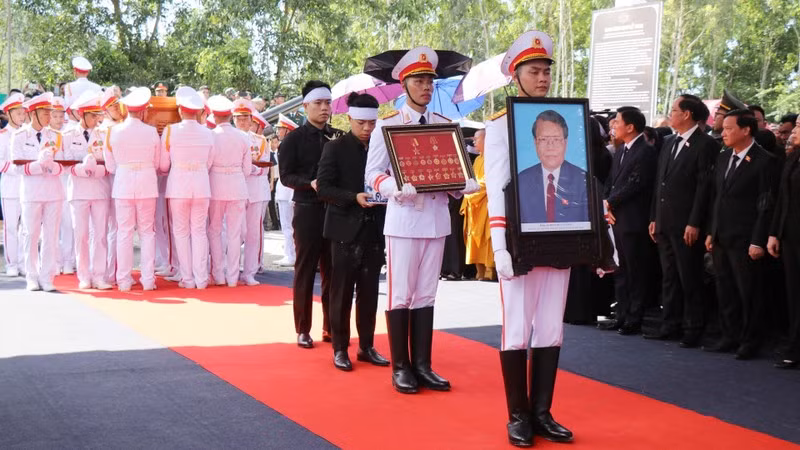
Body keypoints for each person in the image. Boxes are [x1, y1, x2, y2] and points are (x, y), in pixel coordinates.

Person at [365, 46, 479, 394]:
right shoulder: (388, 126)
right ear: (404, 85)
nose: (426, 86)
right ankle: (401, 366)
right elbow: (372, 173)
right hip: (404, 220)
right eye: (419, 81)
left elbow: (455, 172)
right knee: (401, 294)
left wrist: (462, 183)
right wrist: (394, 187)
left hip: (436, 219)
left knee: (427, 294)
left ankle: (423, 364)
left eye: (430, 80)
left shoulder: (445, 125)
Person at [485, 31, 573, 446]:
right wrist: (499, 244)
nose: (542, 78)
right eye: (534, 71)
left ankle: (542, 411)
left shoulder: (566, 119)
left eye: (545, 72)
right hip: (520, 239)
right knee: (517, 327)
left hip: (560, 235)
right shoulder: (501, 126)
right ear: (515, 76)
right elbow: (496, 185)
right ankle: (518, 414)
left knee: (551, 328)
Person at [316, 92, 390, 371]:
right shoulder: (334, 148)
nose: (367, 129)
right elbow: (324, 188)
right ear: (349, 119)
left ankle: (367, 346)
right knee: (342, 292)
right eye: (361, 123)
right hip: (344, 229)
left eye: (372, 124)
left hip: (375, 228)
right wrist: (353, 197)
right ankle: (340, 348)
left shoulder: (383, 146)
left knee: (370, 291)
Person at [704, 109, 779, 359]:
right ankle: (730, 335)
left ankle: (751, 340)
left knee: (749, 292)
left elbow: (766, 205)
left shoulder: (765, 161)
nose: (723, 133)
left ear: (746, 130)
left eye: (729, 128)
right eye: (723, 128)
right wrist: (711, 231)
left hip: (746, 239)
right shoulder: (724, 157)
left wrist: (758, 240)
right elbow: (717, 198)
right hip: (721, 236)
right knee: (725, 290)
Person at [646, 94, 720, 347]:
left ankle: (693, 326)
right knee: (669, 276)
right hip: (665, 221)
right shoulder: (668, 142)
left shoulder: (705, 144)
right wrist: (654, 216)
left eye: (674, 110)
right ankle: (670, 323)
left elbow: (704, 187)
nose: (671, 114)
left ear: (687, 114)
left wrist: (695, 222)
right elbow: (660, 182)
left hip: (687, 223)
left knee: (689, 276)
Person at [278, 81, 342, 348]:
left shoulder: (339, 136)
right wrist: (310, 183)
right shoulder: (292, 139)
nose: (324, 108)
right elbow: (285, 176)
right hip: (307, 210)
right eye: (318, 103)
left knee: (334, 271)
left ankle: (332, 326)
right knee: (305, 270)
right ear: (305, 106)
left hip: (335, 211)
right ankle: (303, 328)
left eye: (328, 103)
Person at [602, 107, 658, 335]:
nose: (614, 126)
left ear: (630, 127)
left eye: (617, 122)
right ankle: (622, 314)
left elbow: (636, 183)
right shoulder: (621, 150)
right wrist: (605, 201)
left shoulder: (645, 151)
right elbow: (611, 181)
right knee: (620, 269)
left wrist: (610, 202)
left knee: (636, 270)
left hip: (634, 219)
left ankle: (635, 316)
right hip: (617, 218)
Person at [102, 87, 163, 291]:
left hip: (123, 183)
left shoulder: (113, 131)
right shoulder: (151, 132)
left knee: (124, 232)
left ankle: (124, 280)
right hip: (146, 183)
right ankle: (148, 280)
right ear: (144, 110)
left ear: (126, 109)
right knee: (147, 232)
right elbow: (157, 163)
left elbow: (110, 165)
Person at [10, 93, 65, 291]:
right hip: (31, 192)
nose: (49, 116)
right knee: (31, 234)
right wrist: (37, 165)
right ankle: (31, 276)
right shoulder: (19, 136)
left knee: (51, 236)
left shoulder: (56, 136)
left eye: (50, 112)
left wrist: (50, 165)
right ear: (33, 113)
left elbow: (63, 166)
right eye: (45, 113)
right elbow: (16, 167)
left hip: (53, 192)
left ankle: (47, 277)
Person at [162, 87, 215, 289]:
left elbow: (163, 165)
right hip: (201, 184)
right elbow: (209, 162)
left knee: (181, 232)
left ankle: (187, 278)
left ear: (180, 110)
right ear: (198, 111)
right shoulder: (207, 133)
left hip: (178, 185)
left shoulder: (170, 131)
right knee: (199, 231)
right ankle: (201, 278)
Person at [63, 91, 113, 290]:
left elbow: (111, 162)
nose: (96, 119)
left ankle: (99, 275)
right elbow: (64, 163)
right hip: (78, 190)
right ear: (82, 115)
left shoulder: (104, 134)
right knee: (81, 235)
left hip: (100, 189)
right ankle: (84, 275)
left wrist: (98, 170)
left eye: (97, 115)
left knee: (100, 235)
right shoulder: (68, 135)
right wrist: (82, 170)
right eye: (92, 115)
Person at [206, 95, 251, 287]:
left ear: (215, 117)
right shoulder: (243, 137)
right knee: (234, 233)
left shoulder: (210, 135)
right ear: (230, 116)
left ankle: (218, 273)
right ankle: (232, 276)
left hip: (216, 184)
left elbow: (207, 164)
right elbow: (247, 170)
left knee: (215, 230)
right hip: (237, 185)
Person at [768, 113, 800, 368]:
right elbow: (782, 199)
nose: (794, 131)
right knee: (794, 292)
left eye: (799, 126)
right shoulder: (793, 157)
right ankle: (795, 345)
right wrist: (774, 233)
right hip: (789, 236)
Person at [518, 110, 589, 225]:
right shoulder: (521, 181)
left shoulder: (584, 180)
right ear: (535, 142)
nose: (550, 146)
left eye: (556, 139)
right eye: (543, 139)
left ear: (565, 143)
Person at [460, 128, 495, 281]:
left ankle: (490, 271)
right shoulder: (478, 159)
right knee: (473, 237)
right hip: (474, 204)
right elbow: (473, 180)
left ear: (486, 139)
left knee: (487, 237)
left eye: (476, 139)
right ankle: (479, 271)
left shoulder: (492, 158)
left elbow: (488, 182)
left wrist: (471, 192)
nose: (474, 142)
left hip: (485, 203)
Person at [49, 96, 76, 276]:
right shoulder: (44, 135)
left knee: (68, 223)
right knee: (51, 225)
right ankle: (54, 261)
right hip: (49, 184)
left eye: (61, 116)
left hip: (65, 183)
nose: (59, 120)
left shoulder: (68, 134)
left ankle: (68, 261)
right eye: (55, 116)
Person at [0, 93, 26, 276]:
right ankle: (12, 264)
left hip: (27, 185)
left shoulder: (27, 133)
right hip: (10, 185)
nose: (22, 117)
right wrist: (15, 168)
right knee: (10, 227)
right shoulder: (2, 135)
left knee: (27, 227)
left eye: (23, 113)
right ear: (8, 114)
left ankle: (24, 262)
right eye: (18, 113)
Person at [274, 114, 297, 266]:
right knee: (288, 225)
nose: (278, 131)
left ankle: (291, 255)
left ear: (287, 130)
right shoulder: (288, 145)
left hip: (287, 190)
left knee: (288, 226)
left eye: (280, 128)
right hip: (286, 190)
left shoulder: (288, 147)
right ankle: (290, 253)